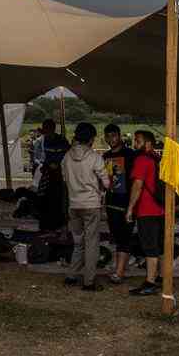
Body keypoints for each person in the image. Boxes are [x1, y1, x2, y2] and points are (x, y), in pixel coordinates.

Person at [63, 123, 108, 291]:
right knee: (91, 243)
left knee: (78, 242)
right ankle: (89, 281)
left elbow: (64, 178)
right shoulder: (95, 157)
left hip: (73, 204)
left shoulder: (67, 156)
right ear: (91, 139)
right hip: (91, 204)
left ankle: (71, 275)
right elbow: (106, 182)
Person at [125, 130, 163, 296]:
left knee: (149, 247)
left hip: (147, 210)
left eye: (138, 141)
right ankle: (160, 276)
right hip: (161, 209)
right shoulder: (158, 159)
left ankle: (150, 282)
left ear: (148, 143)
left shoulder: (141, 160)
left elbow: (137, 185)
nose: (135, 144)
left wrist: (130, 208)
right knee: (159, 246)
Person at [102, 123, 135, 285]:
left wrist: (133, 204)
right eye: (108, 136)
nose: (111, 139)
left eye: (114, 135)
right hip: (111, 202)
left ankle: (119, 272)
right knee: (117, 237)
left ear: (120, 136)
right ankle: (119, 268)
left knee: (124, 237)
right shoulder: (105, 156)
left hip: (127, 203)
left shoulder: (130, 155)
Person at [35, 119, 70, 232]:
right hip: (49, 172)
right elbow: (41, 157)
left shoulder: (61, 140)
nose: (46, 132)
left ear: (53, 129)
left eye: (48, 129)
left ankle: (58, 224)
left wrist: (57, 165)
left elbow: (66, 156)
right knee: (45, 198)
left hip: (60, 174)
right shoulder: (43, 140)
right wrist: (46, 165)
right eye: (45, 129)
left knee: (58, 199)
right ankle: (48, 225)